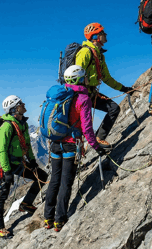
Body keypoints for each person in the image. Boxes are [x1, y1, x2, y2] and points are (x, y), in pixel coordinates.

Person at [44, 65, 106, 232]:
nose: (86, 79)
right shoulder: (82, 99)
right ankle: (60, 219)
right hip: (71, 144)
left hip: (56, 143)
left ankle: (48, 218)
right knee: (66, 182)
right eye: (84, 76)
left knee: (54, 181)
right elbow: (86, 128)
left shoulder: (60, 94)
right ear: (80, 79)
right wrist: (96, 146)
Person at [0, 95, 48, 237]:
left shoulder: (22, 123)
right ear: (14, 108)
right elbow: (2, 150)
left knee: (41, 176)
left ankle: (26, 204)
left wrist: (32, 161)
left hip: (19, 162)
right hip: (8, 164)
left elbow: (27, 145)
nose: (24, 104)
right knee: (2, 195)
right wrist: (6, 171)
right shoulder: (7, 126)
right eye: (20, 103)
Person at [75, 23, 133, 149]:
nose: (105, 35)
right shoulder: (85, 52)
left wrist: (124, 89)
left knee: (113, 108)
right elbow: (76, 75)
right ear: (95, 36)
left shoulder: (99, 55)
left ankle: (99, 138)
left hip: (90, 94)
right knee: (80, 128)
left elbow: (106, 78)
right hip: (81, 95)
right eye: (102, 33)